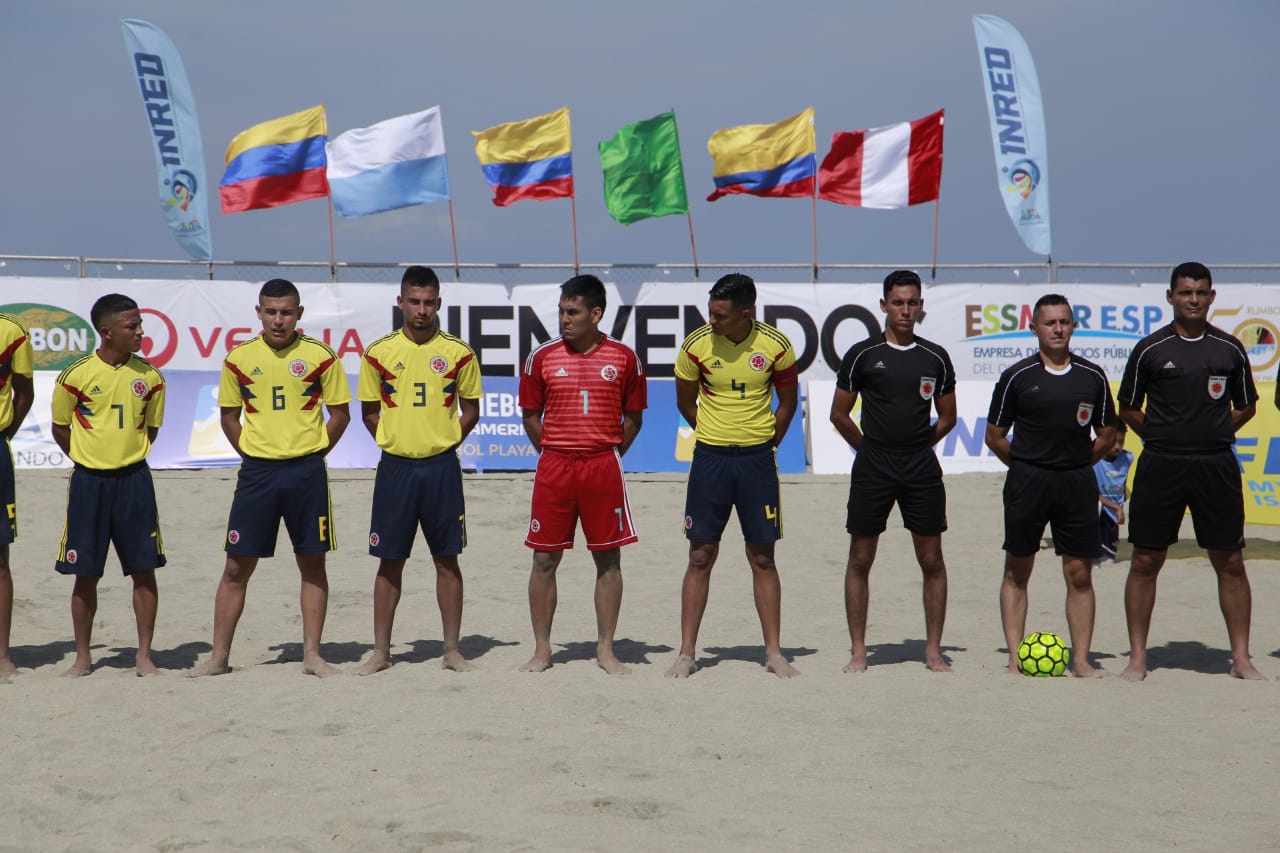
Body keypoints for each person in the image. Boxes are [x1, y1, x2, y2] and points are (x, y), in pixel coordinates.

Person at [189, 279, 351, 678]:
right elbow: (228, 416)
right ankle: (218, 658)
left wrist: (313, 453)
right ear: (259, 313)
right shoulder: (239, 359)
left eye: (286, 312)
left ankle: (312, 655)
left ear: (299, 314)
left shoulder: (321, 356)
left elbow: (341, 415)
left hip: (306, 472)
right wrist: (252, 452)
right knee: (235, 567)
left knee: (312, 563)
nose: (279, 320)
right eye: (271, 312)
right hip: (258, 473)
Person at [1117, 262, 1263, 681]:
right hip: (1161, 464)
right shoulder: (1150, 349)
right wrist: (1162, 435)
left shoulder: (1229, 349)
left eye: (1200, 292)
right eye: (1185, 292)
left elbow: (1248, 405)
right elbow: (1128, 407)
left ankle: (1241, 658)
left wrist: (1215, 432)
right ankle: (1139, 657)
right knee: (1145, 558)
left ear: (1212, 297)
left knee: (1231, 560)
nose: (1193, 299)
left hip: (1215, 465)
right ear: (1170, 297)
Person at [666, 273, 800, 679]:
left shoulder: (777, 346)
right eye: (710, 313)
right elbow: (685, 402)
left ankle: (774, 653)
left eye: (720, 315)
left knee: (762, 556)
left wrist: (763, 443)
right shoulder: (696, 345)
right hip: (710, 460)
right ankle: (687, 653)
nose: (712, 321)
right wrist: (717, 433)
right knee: (700, 555)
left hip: (758, 462)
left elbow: (788, 404)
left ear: (746, 313)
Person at [355, 266, 482, 675]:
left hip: (441, 468)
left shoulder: (460, 353)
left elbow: (472, 410)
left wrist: (441, 440)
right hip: (395, 469)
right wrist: (397, 439)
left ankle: (451, 650)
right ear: (401, 302)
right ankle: (381, 651)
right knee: (389, 560)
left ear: (439, 304)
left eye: (429, 302)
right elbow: (369, 413)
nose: (421, 310)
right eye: (414, 301)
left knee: (447, 559)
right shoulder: (378, 353)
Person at [829, 270, 957, 673]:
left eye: (912, 302)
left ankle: (932, 649)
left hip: (920, 466)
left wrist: (918, 445)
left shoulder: (935, 356)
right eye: (898, 302)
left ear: (921, 306)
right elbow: (839, 413)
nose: (905, 309)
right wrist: (867, 448)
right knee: (861, 557)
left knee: (932, 558)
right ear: (883, 305)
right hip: (873, 465)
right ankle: (858, 650)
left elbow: (948, 417)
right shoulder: (863, 354)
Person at [518, 274, 646, 675]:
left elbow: (634, 418)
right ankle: (542, 649)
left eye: (572, 312)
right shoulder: (541, 357)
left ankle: (605, 650)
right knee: (544, 559)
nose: (564, 319)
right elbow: (530, 416)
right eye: (560, 311)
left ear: (595, 314)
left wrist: (606, 453)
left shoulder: (624, 358)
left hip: (602, 466)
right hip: (555, 466)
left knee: (608, 559)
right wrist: (557, 451)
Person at [986, 294, 1116, 678]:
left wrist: (1075, 465)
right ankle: (1014, 657)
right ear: (1034, 328)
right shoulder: (1016, 377)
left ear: (1073, 326)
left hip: (1076, 483)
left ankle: (1080, 660)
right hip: (1028, 483)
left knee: (1080, 572)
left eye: (1064, 322)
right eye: (1050, 323)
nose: (1058, 329)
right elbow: (995, 436)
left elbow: (1107, 435)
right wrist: (1028, 465)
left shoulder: (1091, 376)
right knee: (1018, 569)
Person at [51, 294, 166, 676]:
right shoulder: (76, 376)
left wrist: (122, 456)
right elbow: (60, 429)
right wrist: (90, 458)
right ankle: (83, 657)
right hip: (89, 483)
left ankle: (144, 655)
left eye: (139, 325)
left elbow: (151, 428)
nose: (140, 332)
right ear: (107, 332)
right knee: (86, 573)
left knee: (143, 569)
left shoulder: (150, 377)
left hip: (134, 480)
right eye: (132, 326)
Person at [0, 313, 33, 678]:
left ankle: (2, 656)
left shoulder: (11, 332)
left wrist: (6, 432)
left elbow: (25, 392)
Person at [1093, 422, 1133, 565]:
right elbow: (1090, 493)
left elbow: (1122, 481)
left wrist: (1119, 505)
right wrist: (1116, 507)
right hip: (1099, 508)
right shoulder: (1094, 460)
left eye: (1121, 441)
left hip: (1114, 513)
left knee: (1109, 558)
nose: (1117, 446)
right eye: (1113, 441)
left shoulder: (1127, 458)